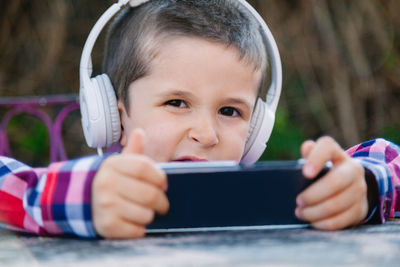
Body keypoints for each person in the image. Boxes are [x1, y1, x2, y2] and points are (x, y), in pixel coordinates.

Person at [0, 0, 399, 239]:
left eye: (230, 111)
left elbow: (388, 156)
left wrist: (362, 186)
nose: (206, 135)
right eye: (176, 103)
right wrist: (79, 201)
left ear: (257, 127)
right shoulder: (97, 191)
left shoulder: (281, 197)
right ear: (114, 114)